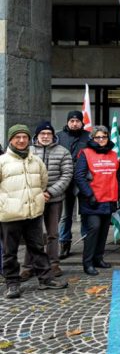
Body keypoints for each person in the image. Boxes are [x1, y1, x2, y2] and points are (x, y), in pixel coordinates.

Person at [1, 124, 67, 299]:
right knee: (10, 251)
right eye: (17, 137)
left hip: (33, 213)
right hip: (10, 214)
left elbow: (43, 183)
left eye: (24, 137)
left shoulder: (36, 161)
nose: (21, 140)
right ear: (10, 140)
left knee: (37, 248)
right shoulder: (2, 161)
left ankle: (45, 279)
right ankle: (12, 283)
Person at [21, 121, 72, 280]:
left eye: (48, 134)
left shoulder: (63, 151)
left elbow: (67, 175)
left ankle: (53, 263)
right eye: (42, 133)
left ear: (53, 135)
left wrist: (50, 192)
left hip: (54, 199)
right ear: (37, 135)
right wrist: (36, 193)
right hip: (32, 198)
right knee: (32, 233)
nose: (45, 136)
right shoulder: (27, 151)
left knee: (53, 234)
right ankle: (29, 266)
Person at [75, 126, 120, 276]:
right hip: (92, 200)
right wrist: (89, 194)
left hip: (109, 198)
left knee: (104, 231)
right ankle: (88, 263)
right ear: (92, 138)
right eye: (98, 137)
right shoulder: (85, 153)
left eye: (104, 137)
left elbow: (118, 176)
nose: (101, 140)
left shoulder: (113, 154)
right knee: (94, 229)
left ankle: (99, 258)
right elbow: (79, 176)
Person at [57, 110, 91, 260]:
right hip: (65, 181)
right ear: (67, 122)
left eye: (77, 121)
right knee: (66, 215)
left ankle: (87, 243)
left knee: (85, 214)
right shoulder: (59, 136)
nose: (74, 123)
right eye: (72, 121)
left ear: (82, 122)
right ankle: (64, 243)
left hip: (82, 181)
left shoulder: (88, 137)